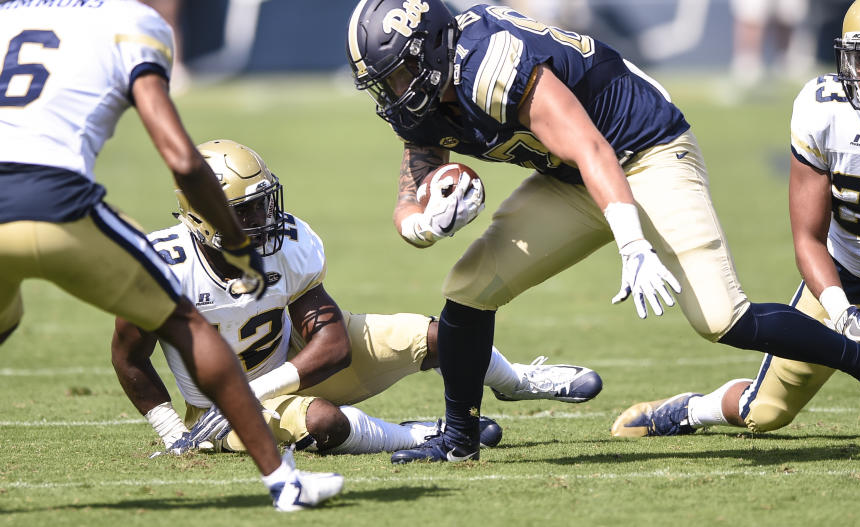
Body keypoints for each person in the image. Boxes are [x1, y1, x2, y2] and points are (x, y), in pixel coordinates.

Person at [344, 0, 860, 464]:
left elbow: (594, 147)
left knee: (720, 316)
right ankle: (459, 441)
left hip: (645, 151)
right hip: (573, 176)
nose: (394, 93)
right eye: (383, 82)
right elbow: (413, 187)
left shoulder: (490, 65)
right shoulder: (423, 98)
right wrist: (424, 224)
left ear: (432, 52)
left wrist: (632, 243)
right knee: (468, 288)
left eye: (397, 75)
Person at [0, 0, 340, 511]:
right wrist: (235, 241)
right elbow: (182, 157)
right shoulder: (131, 21)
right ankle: (284, 482)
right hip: (59, 202)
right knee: (183, 322)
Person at [611, 0, 860, 445]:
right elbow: (808, 239)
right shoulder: (824, 109)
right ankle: (693, 409)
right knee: (766, 412)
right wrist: (840, 311)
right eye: (857, 58)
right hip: (843, 277)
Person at [112, 139, 603, 456]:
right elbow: (129, 356)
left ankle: (514, 380)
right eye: (248, 210)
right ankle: (416, 433)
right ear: (203, 219)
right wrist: (172, 430)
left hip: (291, 363)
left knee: (438, 336)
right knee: (325, 422)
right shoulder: (160, 267)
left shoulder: (284, 244)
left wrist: (264, 386)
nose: (266, 217)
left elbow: (331, 344)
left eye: (264, 202)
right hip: (223, 408)